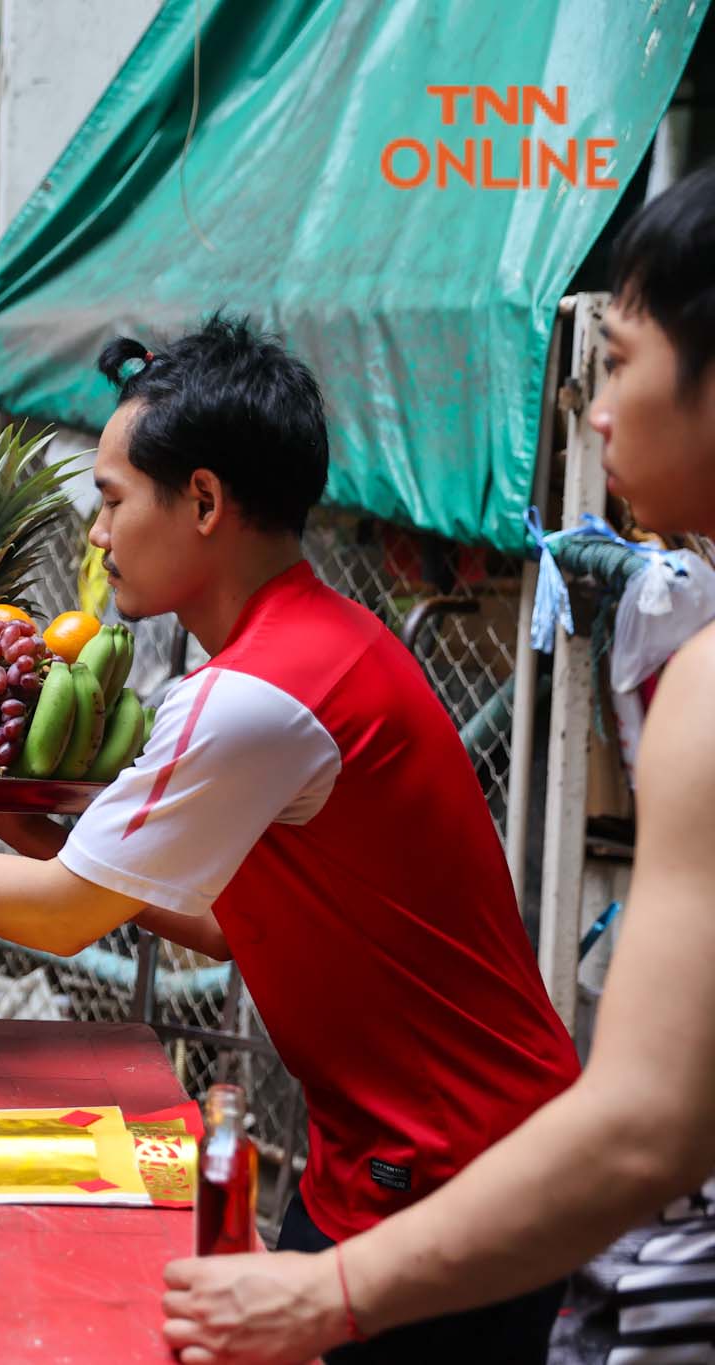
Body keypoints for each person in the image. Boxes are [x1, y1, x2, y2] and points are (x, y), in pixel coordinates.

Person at [0, 315, 580, 1360]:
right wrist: (7, 814)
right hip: (411, 1153)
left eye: (112, 499)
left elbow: (70, 917)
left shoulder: (252, 693)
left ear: (201, 501)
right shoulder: (312, 647)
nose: (97, 532)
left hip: (449, 1165)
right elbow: (217, 925)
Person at [159, 168, 715, 1365]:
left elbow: (646, 1124)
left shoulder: (706, 690)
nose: (595, 411)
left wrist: (322, 1295)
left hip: (488, 1193)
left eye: (616, 360)